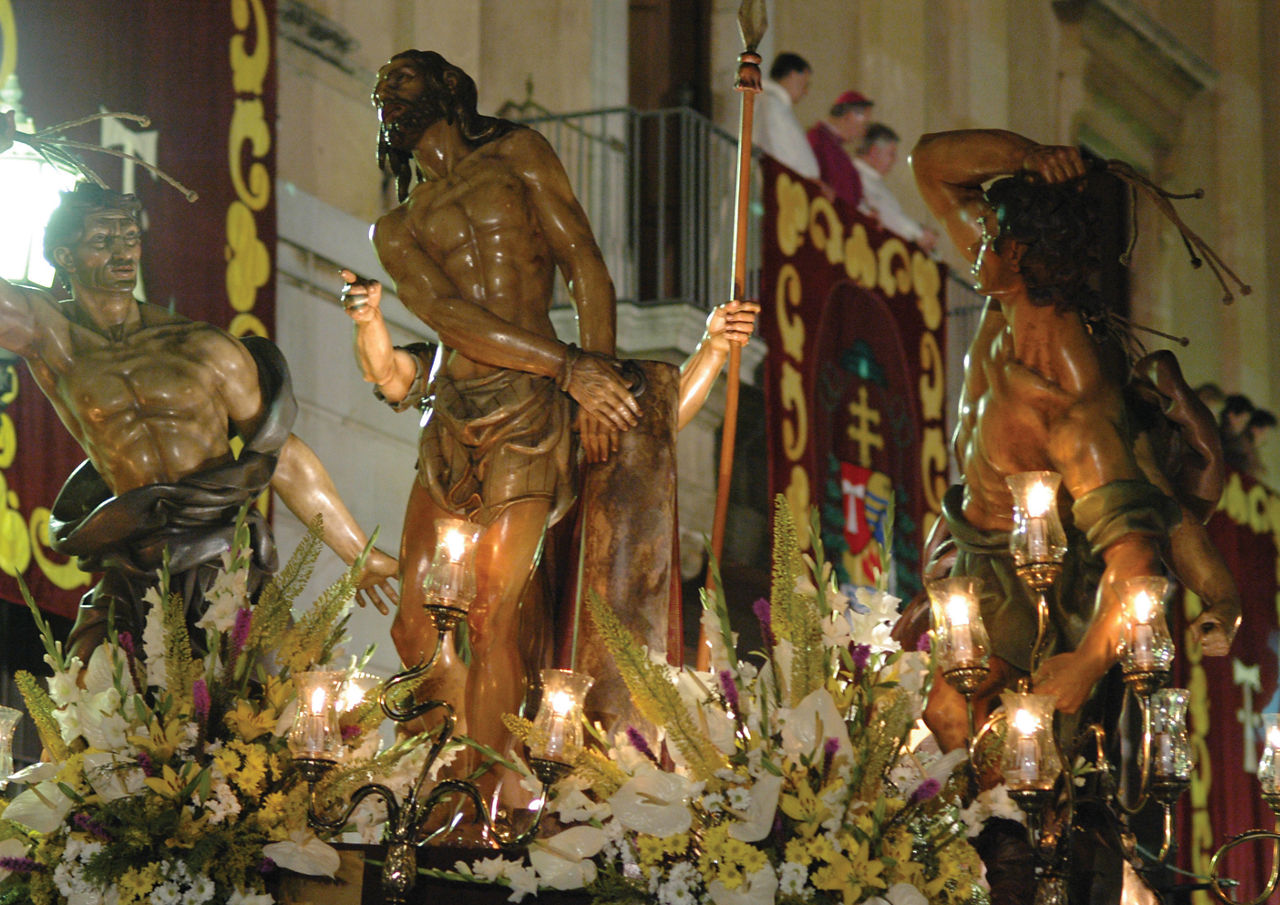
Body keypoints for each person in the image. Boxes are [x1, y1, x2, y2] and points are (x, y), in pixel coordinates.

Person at [350, 49, 649, 809]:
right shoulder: (397, 226)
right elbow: (449, 318)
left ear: (448, 89)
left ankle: (478, 798)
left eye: (404, 79)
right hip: (457, 412)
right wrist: (569, 365)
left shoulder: (516, 154)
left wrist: (597, 378)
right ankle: (430, 777)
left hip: (530, 416)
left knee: (489, 608)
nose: (388, 92)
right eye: (381, 89)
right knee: (416, 631)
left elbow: (584, 263)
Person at [0, 137, 398, 658]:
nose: (123, 253)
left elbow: (278, 452)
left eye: (129, 238)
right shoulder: (54, 339)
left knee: (266, 715)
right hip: (133, 554)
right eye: (102, 240)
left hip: (220, 552)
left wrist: (355, 552)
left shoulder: (203, 347)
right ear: (64, 256)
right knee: (87, 700)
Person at [909, 129, 1239, 743]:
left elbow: (1136, 554)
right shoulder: (1003, 299)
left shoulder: (1074, 410)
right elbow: (929, 164)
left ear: (1020, 252)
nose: (976, 240)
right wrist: (1026, 158)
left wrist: (1086, 665)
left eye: (992, 236)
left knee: (960, 740)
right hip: (963, 561)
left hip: (1028, 592)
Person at [854, 123, 938, 252]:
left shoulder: (872, 180)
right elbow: (886, 215)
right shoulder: (856, 176)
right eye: (891, 154)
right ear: (874, 152)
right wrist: (918, 233)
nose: (895, 160)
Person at [754, 52, 820, 180]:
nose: (805, 91)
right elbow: (781, 153)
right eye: (805, 84)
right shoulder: (772, 105)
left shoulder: (773, 103)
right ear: (793, 75)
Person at [806, 90, 874, 207]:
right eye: (864, 125)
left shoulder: (837, 148)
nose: (864, 132)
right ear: (849, 116)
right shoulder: (817, 139)